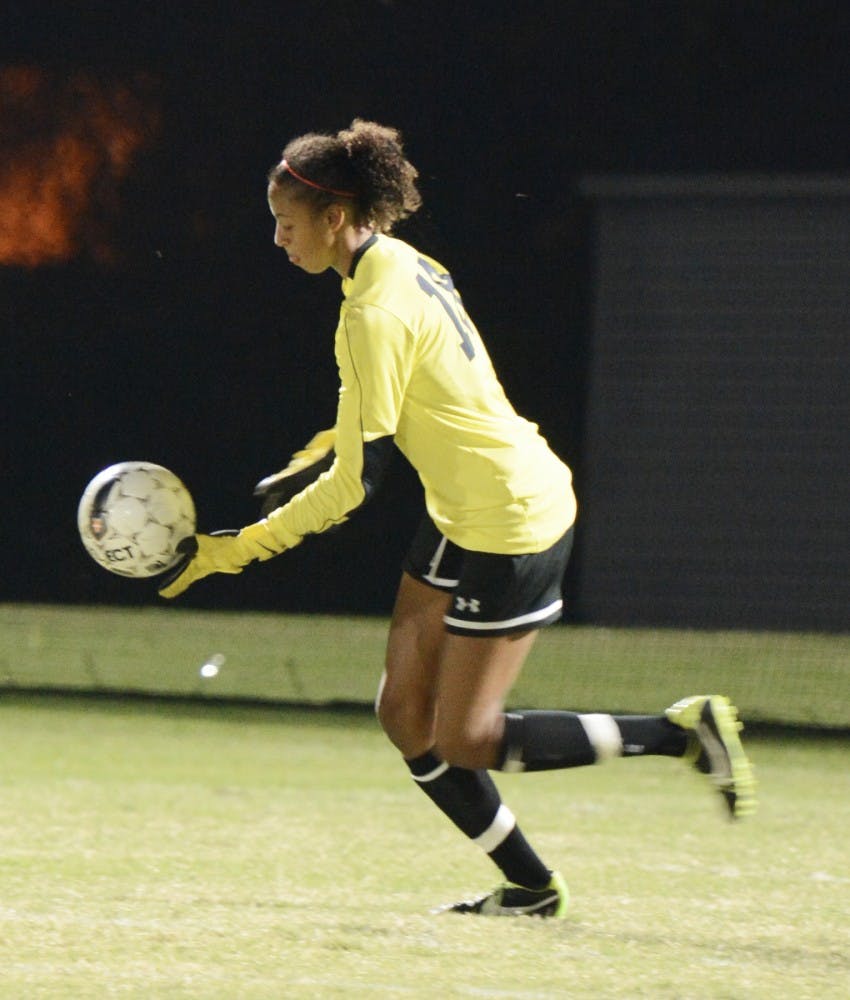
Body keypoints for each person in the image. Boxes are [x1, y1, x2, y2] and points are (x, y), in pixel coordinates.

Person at [159, 120, 757, 917]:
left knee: (467, 739)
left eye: (287, 223)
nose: (277, 238)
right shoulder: (398, 265)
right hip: (460, 506)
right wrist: (312, 456)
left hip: (514, 517)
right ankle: (532, 888)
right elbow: (382, 407)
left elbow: (356, 485)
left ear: (334, 219)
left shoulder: (371, 310)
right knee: (405, 717)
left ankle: (682, 733)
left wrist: (232, 553)